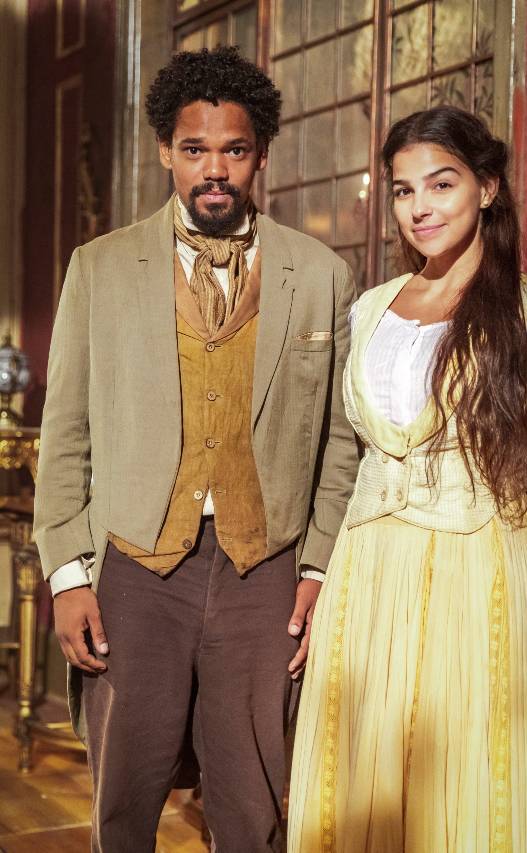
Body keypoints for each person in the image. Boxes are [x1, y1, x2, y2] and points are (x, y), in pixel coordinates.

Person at [33, 46, 359, 853]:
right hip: (136, 564)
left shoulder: (321, 274)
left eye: (234, 149)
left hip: (265, 570)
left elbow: (339, 444)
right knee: (124, 797)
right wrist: (67, 575)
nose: (215, 169)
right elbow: (65, 431)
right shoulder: (100, 268)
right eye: (195, 149)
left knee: (253, 806)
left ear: (261, 154)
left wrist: (318, 567)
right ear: (165, 152)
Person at [287, 106, 527, 852]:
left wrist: (506, 565)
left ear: (487, 187)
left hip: (481, 590)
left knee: (467, 795)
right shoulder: (370, 310)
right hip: (366, 585)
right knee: (367, 788)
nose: (420, 208)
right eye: (404, 191)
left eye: (441, 184)